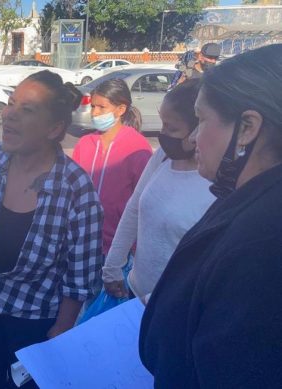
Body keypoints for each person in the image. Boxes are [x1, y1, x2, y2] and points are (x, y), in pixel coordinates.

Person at [0, 70, 103, 389]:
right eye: (11, 103)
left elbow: (81, 273)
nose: (9, 114)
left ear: (55, 128)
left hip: (35, 321)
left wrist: (62, 328)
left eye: (26, 109)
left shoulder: (75, 187)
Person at [140, 44, 282, 387]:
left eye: (201, 121)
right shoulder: (248, 201)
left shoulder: (263, 247)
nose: (192, 138)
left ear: (247, 127)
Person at [102, 79, 215, 303]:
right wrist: (113, 265)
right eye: (162, 124)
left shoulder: (217, 181)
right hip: (134, 290)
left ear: (198, 130)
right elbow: (134, 207)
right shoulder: (162, 157)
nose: (163, 135)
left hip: (173, 304)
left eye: (172, 128)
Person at [71, 79, 152, 256]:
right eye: (93, 106)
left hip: (119, 249)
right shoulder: (84, 144)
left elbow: (145, 203)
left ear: (121, 109)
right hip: (83, 243)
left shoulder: (137, 148)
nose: (95, 113)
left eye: (102, 107)